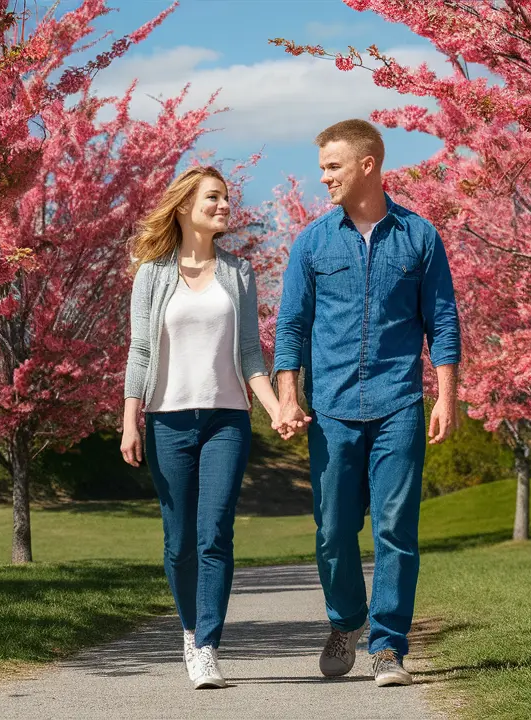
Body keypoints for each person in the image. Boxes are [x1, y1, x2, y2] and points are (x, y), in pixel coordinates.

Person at [272, 119, 461, 687]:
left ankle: (388, 646)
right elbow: (291, 325)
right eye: (323, 166)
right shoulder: (312, 242)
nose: (323, 176)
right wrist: (288, 393)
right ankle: (346, 619)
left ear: (367, 165)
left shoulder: (421, 237)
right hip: (330, 410)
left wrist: (445, 398)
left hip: (399, 403)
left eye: (332, 165)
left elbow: (443, 322)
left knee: (396, 529)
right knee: (332, 530)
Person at [120, 166, 285, 690]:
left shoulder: (239, 272)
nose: (223, 205)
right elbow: (140, 350)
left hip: (227, 419)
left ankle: (207, 645)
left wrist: (278, 406)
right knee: (178, 542)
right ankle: (189, 632)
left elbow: (251, 355)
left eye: (226, 197)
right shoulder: (152, 273)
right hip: (167, 420)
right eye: (213, 197)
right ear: (185, 205)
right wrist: (131, 421)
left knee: (215, 533)